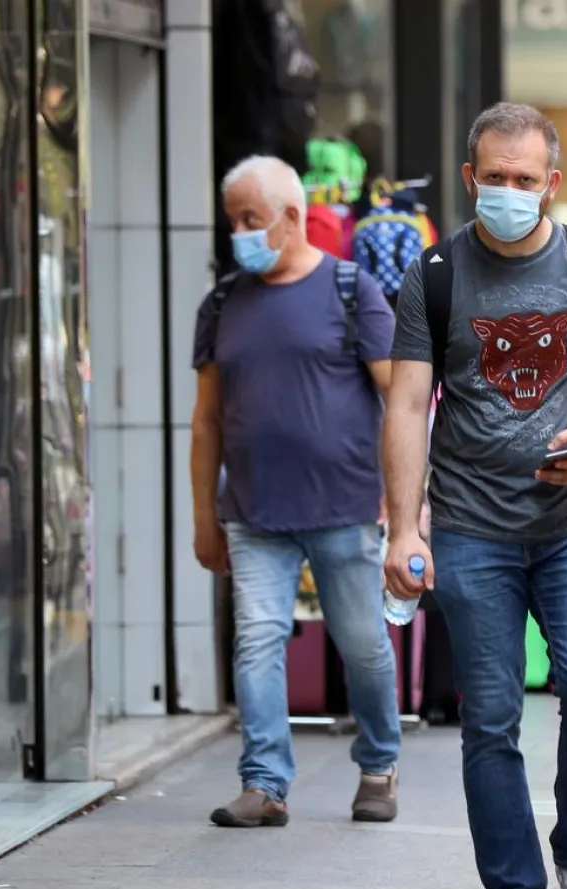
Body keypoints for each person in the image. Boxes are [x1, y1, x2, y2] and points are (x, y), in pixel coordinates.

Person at [381, 103, 567, 889]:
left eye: (524, 180)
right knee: (490, 718)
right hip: (470, 528)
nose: (507, 192)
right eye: (492, 178)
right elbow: (404, 403)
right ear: (470, 178)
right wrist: (400, 529)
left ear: (552, 184)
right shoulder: (434, 274)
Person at [190, 155, 403, 829]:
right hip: (253, 511)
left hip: (343, 507)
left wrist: (407, 506)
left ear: (290, 216)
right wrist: (203, 517)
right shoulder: (222, 303)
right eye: (234, 222)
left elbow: (401, 398)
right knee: (256, 639)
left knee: (361, 642)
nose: (240, 234)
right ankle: (264, 783)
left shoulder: (351, 289)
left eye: (252, 220)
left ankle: (378, 764)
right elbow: (206, 420)